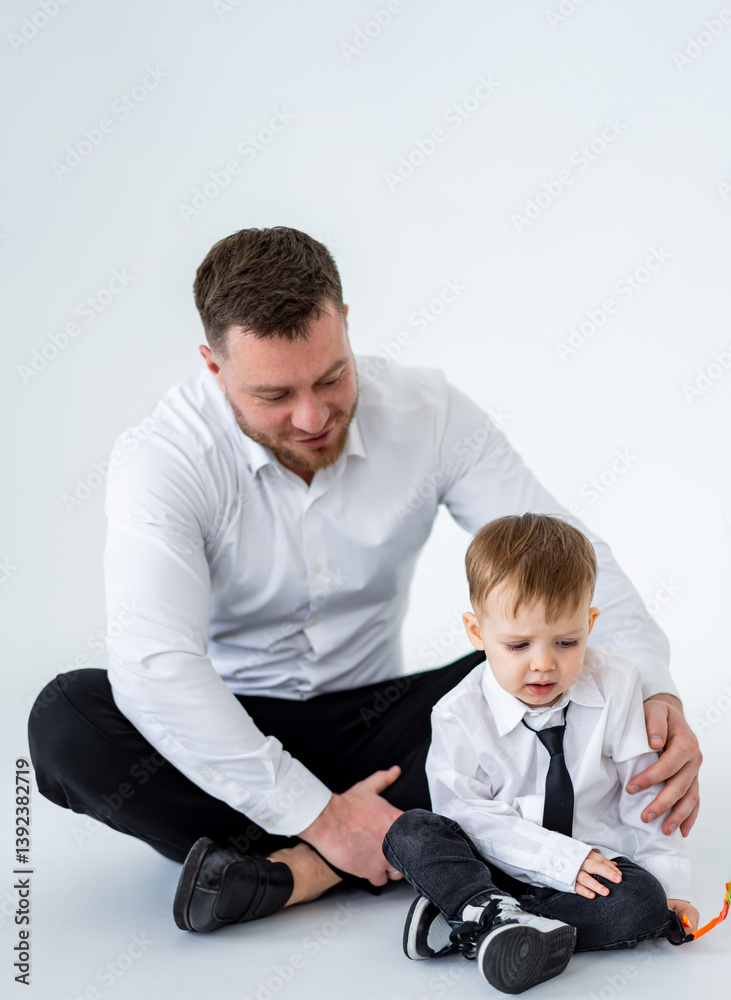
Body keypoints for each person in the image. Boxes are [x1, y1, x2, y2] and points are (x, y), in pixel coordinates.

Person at [28, 226, 701, 934]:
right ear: (213, 367)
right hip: (231, 731)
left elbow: (568, 559)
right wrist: (322, 815)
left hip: (389, 736)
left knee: (544, 661)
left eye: (330, 378)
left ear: (346, 325)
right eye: (274, 394)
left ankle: (297, 873)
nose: (312, 417)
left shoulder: (429, 413)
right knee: (67, 722)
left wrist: (655, 693)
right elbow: (156, 664)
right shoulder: (163, 458)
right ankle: (389, 840)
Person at [382, 513, 697, 995]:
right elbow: (466, 814)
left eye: (567, 642)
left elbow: (646, 799)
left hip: (589, 873)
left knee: (641, 902)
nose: (544, 663)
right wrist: (557, 857)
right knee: (411, 831)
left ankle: (476, 921)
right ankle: (483, 904)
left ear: (590, 624)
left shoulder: (618, 686)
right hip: (494, 865)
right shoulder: (457, 713)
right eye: (518, 644)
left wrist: (671, 890)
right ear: (476, 633)